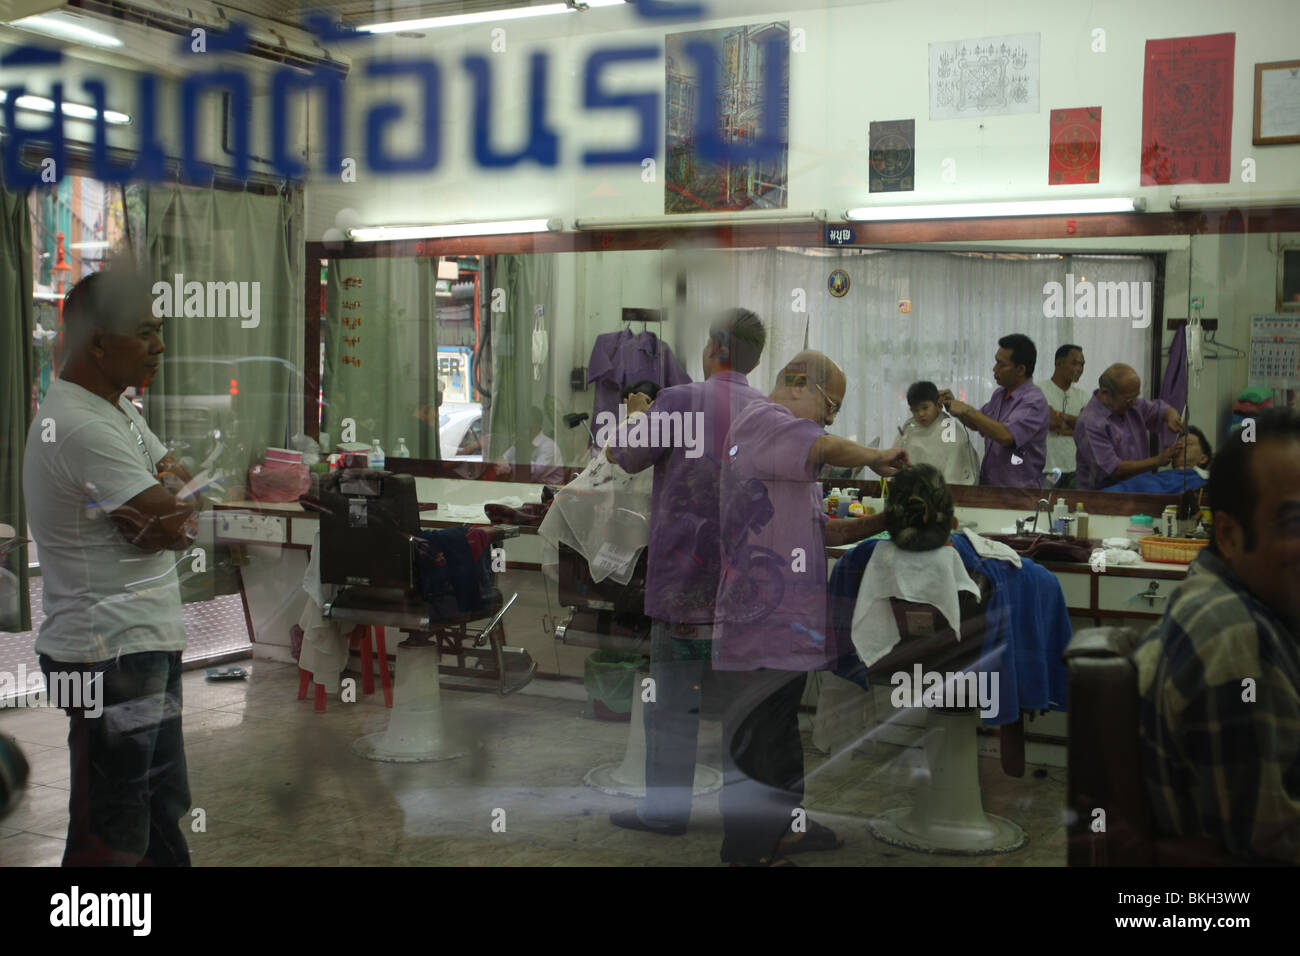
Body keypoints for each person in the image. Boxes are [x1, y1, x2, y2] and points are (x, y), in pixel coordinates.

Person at [22, 268, 198, 866]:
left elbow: (181, 494)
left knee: (159, 804)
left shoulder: (118, 412)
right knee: (113, 824)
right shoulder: (81, 424)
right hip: (108, 654)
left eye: (162, 330)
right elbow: (176, 521)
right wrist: (165, 505)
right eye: (146, 332)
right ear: (97, 342)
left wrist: (167, 504)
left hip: (141, 644)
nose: (161, 346)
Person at [711, 350, 908, 865]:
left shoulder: (787, 451)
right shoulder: (763, 422)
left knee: (779, 736)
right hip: (761, 625)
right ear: (800, 383)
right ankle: (747, 851)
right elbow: (825, 444)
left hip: (787, 626)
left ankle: (786, 829)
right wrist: (874, 455)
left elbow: (822, 530)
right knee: (757, 741)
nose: (831, 418)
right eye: (832, 405)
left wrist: (887, 520)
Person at [605, 308, 770, 838]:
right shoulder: (766, 412)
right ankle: (741, 821)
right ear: (756, 358)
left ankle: (666, 812)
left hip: (683, 588)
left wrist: (634, 415)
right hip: (745, 592)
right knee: (743, 713)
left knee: (673, 705)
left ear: (710, 350)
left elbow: (625, 456)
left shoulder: (677, 402)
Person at [1133, 410, 1300, 864]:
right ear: (1227, 532)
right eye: (1292, 523)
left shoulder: (1245, 600)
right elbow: (1268, 845)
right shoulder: (1236, 639)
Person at [938, 334, 1050, 489]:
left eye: (1001, 364)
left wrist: (968, 410)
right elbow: (977, 424)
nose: (994, 368)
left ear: (1020, 369)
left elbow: (1006, 436)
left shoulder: (1034, 401)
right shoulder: (1000, 394)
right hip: (992, 487)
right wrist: (953, 406)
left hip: (1020, 493)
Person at [1072, 363, 1185, 490]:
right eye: (1129, 399)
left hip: (1138, 490)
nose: (1133, 403)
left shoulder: (1132, 405)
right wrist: (1158, 460)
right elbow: (1115, 469)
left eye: (1135, 397)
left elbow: (1161, 410)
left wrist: (1171, 415)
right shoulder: (1090, 423)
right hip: (1104, 497)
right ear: (1105, 393)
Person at [896, 380, 979, 485]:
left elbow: (957, 472)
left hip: (946, 493)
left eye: (925, 407)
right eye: (916, 410)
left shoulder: (950, 429)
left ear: (938, 406)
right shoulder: (909, 429)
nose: (921, 414)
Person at [1107, 425, 1212, 494]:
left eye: (1188, 443)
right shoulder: (1156, 478)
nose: (1181, 446)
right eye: (1179, 443)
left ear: (1203, 459)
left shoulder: (1205, 483)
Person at [1041, 344, 1089, 488]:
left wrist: (1061, 417)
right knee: (1044, 507)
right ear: (1058, 363)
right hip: (1050, 470)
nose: (1079, 369)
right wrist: (1077, 425)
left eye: (1082, 365)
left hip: (1075, 470)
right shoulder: (1040, 389)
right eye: (1074, 363)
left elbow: (1088, 428)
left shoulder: (1083, 396)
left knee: (1076, 509)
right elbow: (1052, 422)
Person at [499, 406, 565, 484]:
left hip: (551, 493)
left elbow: (531, 474)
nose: (517, 430)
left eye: (521, 425)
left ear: (535, 428)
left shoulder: (549, 446)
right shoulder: (522, 441)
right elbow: (501, 462)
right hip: (530, 489)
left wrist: (510, 464)